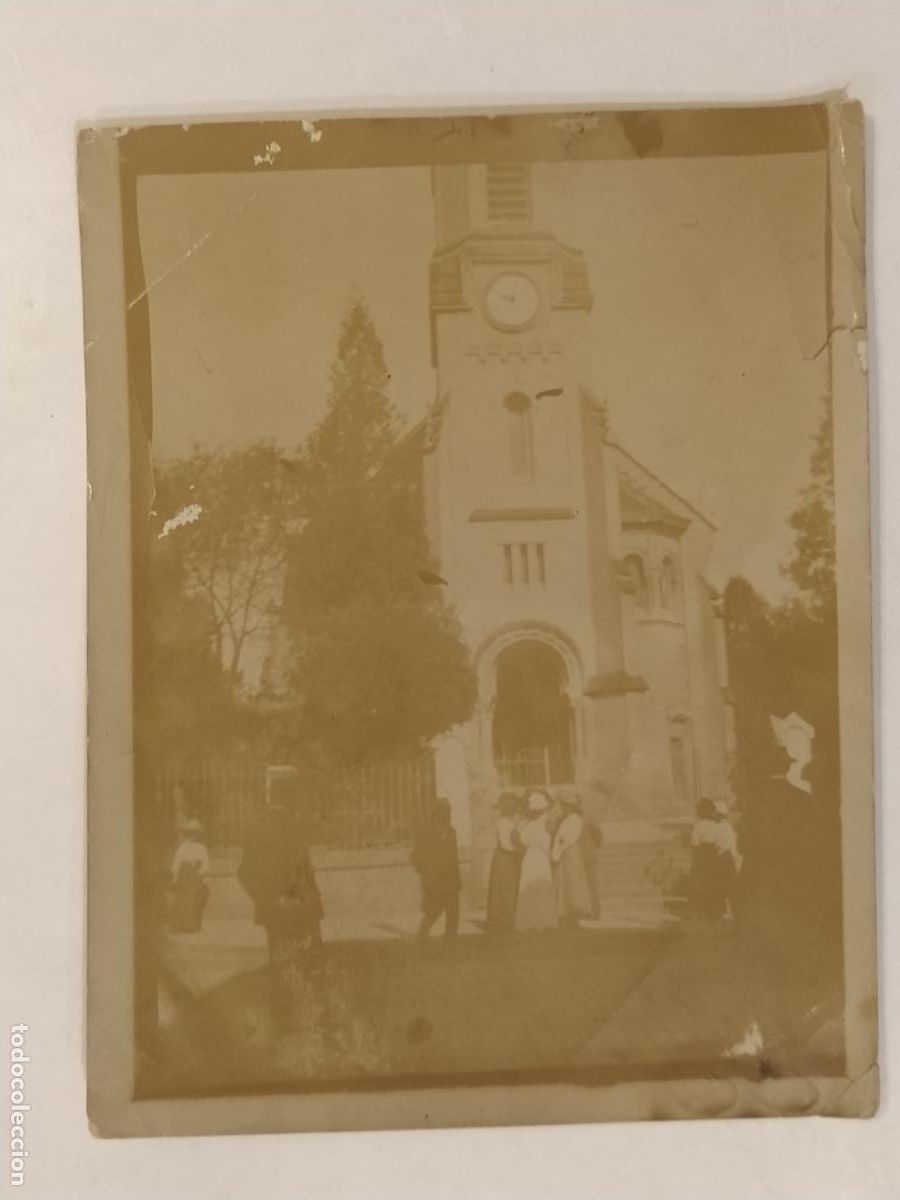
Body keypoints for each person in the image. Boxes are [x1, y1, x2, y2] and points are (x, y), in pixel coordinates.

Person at [238, 794, 324, 1028]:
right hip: (303, 907)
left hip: (275, 909)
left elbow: (244, 873)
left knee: (279, 959)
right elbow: (304, 870)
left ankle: (284, 1015)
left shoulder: (257, 829)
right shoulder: (297, 826)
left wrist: (266, 898)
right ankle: (305, 1015)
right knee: (307, 958)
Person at [411, 797, 461, 944]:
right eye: (445, 812)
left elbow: (454, 857)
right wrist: (427, 873)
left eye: (449, 812)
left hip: (450, 880)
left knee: (453, 913)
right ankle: (422, 936)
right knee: (434, 911)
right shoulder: (426, 832)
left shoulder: (451, 831)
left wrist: (456, 880)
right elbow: (416, 857)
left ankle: (450, 943)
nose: (448, 816)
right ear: (437, 814)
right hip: (435, 880)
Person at [688, 797, 741, 920]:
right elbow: (727, 845)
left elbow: (694, 845)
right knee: (723, 886)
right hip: (722, 858)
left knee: (709, 885)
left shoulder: (699, 825)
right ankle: (725, 910)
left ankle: (710, 910)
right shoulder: (724, 826)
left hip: (707, 859)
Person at [515, 789, 558, 932]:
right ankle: (533, 921)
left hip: (538, 857)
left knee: (540, 886)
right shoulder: (526, 823)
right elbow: (520, 841)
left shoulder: (545, 821)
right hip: (532, 857)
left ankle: (541, 921)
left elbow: (548, 840)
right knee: (531, 886)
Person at [551, 793, 593, 928]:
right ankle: (566, 914)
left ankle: (573, 914)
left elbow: (567, 840)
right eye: (564, 806)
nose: (564, 809)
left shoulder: (575, 820)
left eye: (566, 806)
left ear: (571, 807)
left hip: (570, 853)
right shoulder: (567, 820)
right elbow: (560, 838)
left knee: (572, 883)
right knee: (564, 883)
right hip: (565, 854)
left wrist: (557, 853)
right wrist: (557, 852)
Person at [485, 791, 522, 932]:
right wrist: (519, 850)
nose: (513, 810)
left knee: (509, 887)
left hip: (510, 858)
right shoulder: (502, 823)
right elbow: (505, 844)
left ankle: (507, 916)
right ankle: (501, 918)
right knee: (504, 887)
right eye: (511, 808)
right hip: (504, 858)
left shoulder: (511, 822)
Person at [168, 818, 210, 933]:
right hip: (185, 875)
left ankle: (194, 925)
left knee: (196, 899)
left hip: (196, 874)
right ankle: (183, 925)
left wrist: (204, 874)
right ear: (187, 835)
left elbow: (205, 862)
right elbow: (176, 863)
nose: (192, 836)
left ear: (198, 835)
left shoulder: (202, 847)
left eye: (195, 834)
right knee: (184, 899)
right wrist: (175, 877)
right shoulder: (182, 847)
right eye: (190, 833)